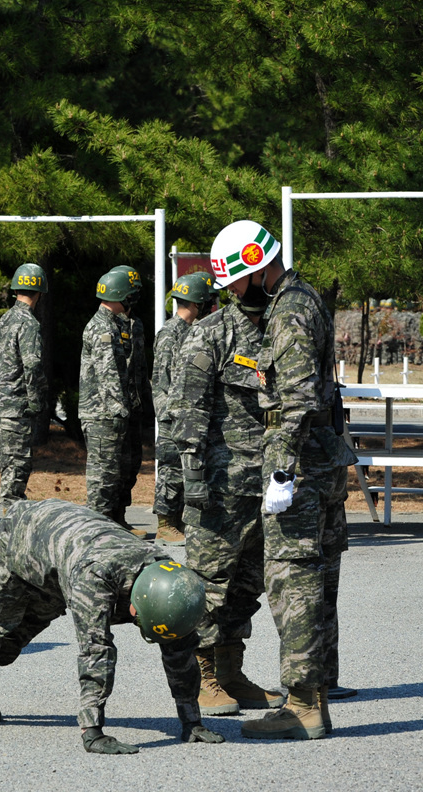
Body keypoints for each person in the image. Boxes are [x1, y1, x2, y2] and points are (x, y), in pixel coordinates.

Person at [0, 498, 224, 753]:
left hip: (57, 559)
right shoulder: (95, 577)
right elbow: (95, 650)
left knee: (21, 632)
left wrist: (190, 720)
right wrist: (92, 731)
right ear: (134, 604)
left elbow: (179, 645)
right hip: (16, 544)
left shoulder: (168, 581)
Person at [209, 219, 356, 739]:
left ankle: (302, 706)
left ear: (255, 266)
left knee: (291, 579)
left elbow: (294, 399)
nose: (230, 294)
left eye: (233, 282)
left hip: (302, 463)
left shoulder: (290, 310)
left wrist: (279, 471)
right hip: (319, 457)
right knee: (308, 576)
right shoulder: (294, 300)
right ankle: (312, 693)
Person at [171, 270, 283, 716]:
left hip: (270, 484)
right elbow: (187, 409)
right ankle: (204, 679)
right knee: (209, 586)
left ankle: (232, 672)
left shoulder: (281, 330)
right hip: (221, 487)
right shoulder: (210, 334)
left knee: (247, 584)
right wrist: (191, 476)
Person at [153, 271, 217, 543]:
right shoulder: (171, 333)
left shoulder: (192, 331)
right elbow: (165, 379)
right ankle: (165, 524)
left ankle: (178, 520)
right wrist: (172, 414)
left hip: (186, 412)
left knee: (186, 468)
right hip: (173, 413)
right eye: (208, 302)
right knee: (171, 469)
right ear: (197, 303)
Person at [80, 268, 144, 533]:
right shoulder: (102, 327)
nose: (133, 299)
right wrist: (121, 410)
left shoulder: (119, 324)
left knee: (122, 472)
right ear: (120, 294)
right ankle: (97, 532)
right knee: (104, 476)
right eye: (131, 294)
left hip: (117, 413)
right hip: (103, 415)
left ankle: (116, 523)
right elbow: (108, 374)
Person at [0, 263, 50, 509]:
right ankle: (11, 514)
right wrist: (37, 401)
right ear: (39, 292)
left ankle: (11, 508)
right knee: (18, 463)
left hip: (3, 402)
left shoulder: (4, 319)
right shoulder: (29, 323)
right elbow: (32, 366)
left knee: (9, 462)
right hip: (18, 405)